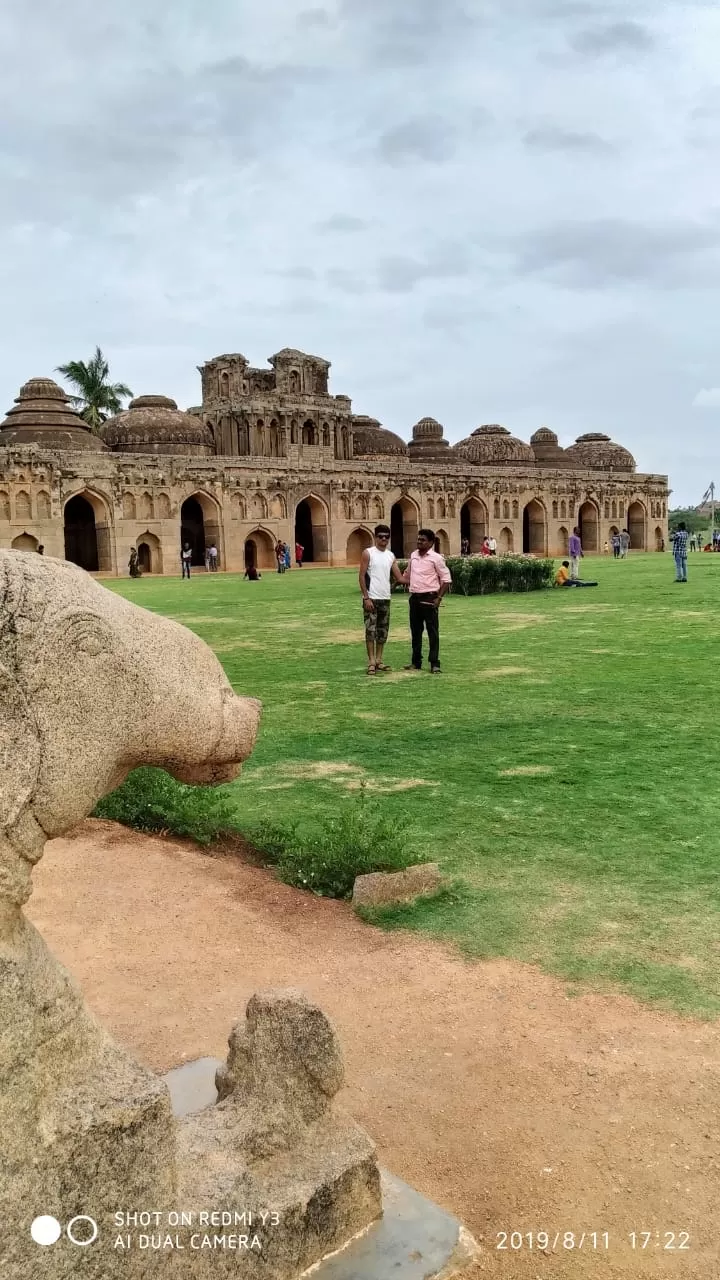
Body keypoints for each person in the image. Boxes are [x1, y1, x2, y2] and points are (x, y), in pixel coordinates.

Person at [402, 528, 452, 674]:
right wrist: (398, 581)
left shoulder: (436, 558)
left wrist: (439, 598)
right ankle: (416, 662)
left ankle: (434, 663)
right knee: (416, 632)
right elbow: (408, 573)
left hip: (430, 598)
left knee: (432, 632)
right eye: (418, 539)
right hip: (415, 598)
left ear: (430, 543)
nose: (419, 542)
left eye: (423, 540)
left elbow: (446, 579)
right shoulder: (413, 556)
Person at [359, 524, 405, 675]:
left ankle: (379, 660)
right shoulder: (368, 553)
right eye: (380, 536)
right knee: (370, 631)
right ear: (375, 537)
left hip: (385, 598)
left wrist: (417, 573)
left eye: (386, 537)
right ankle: (371, 661)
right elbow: (361, 576)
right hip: (371, 597)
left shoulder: (390, 556)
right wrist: (366, 597)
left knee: (382, 631)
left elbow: (399, 577)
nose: (383, 539)